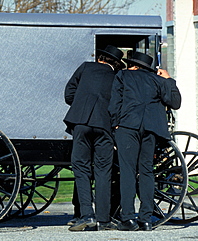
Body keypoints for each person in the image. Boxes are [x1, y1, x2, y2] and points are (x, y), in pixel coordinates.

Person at [108, 52, 181, 231]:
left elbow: (114, 103)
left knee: (128, 171)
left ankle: (128, 218)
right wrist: (169, 80)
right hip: (151, 127)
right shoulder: (158, 80)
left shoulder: (123, 75)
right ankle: (146, 219)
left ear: (133, 66)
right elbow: (175, 102)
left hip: (128, 125)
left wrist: (115, 124)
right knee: (146, 171)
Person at [63, 45, 125, 231]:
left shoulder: (85, 67)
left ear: (100, 58)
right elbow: (119, 103)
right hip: (104, 125)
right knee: (103, 171)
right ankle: (104, 219)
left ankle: (86, 214)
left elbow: (69, 94)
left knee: (81, 168)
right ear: (115, 63)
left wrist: (82, 104)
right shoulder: (117, 77)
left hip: (81, 122)